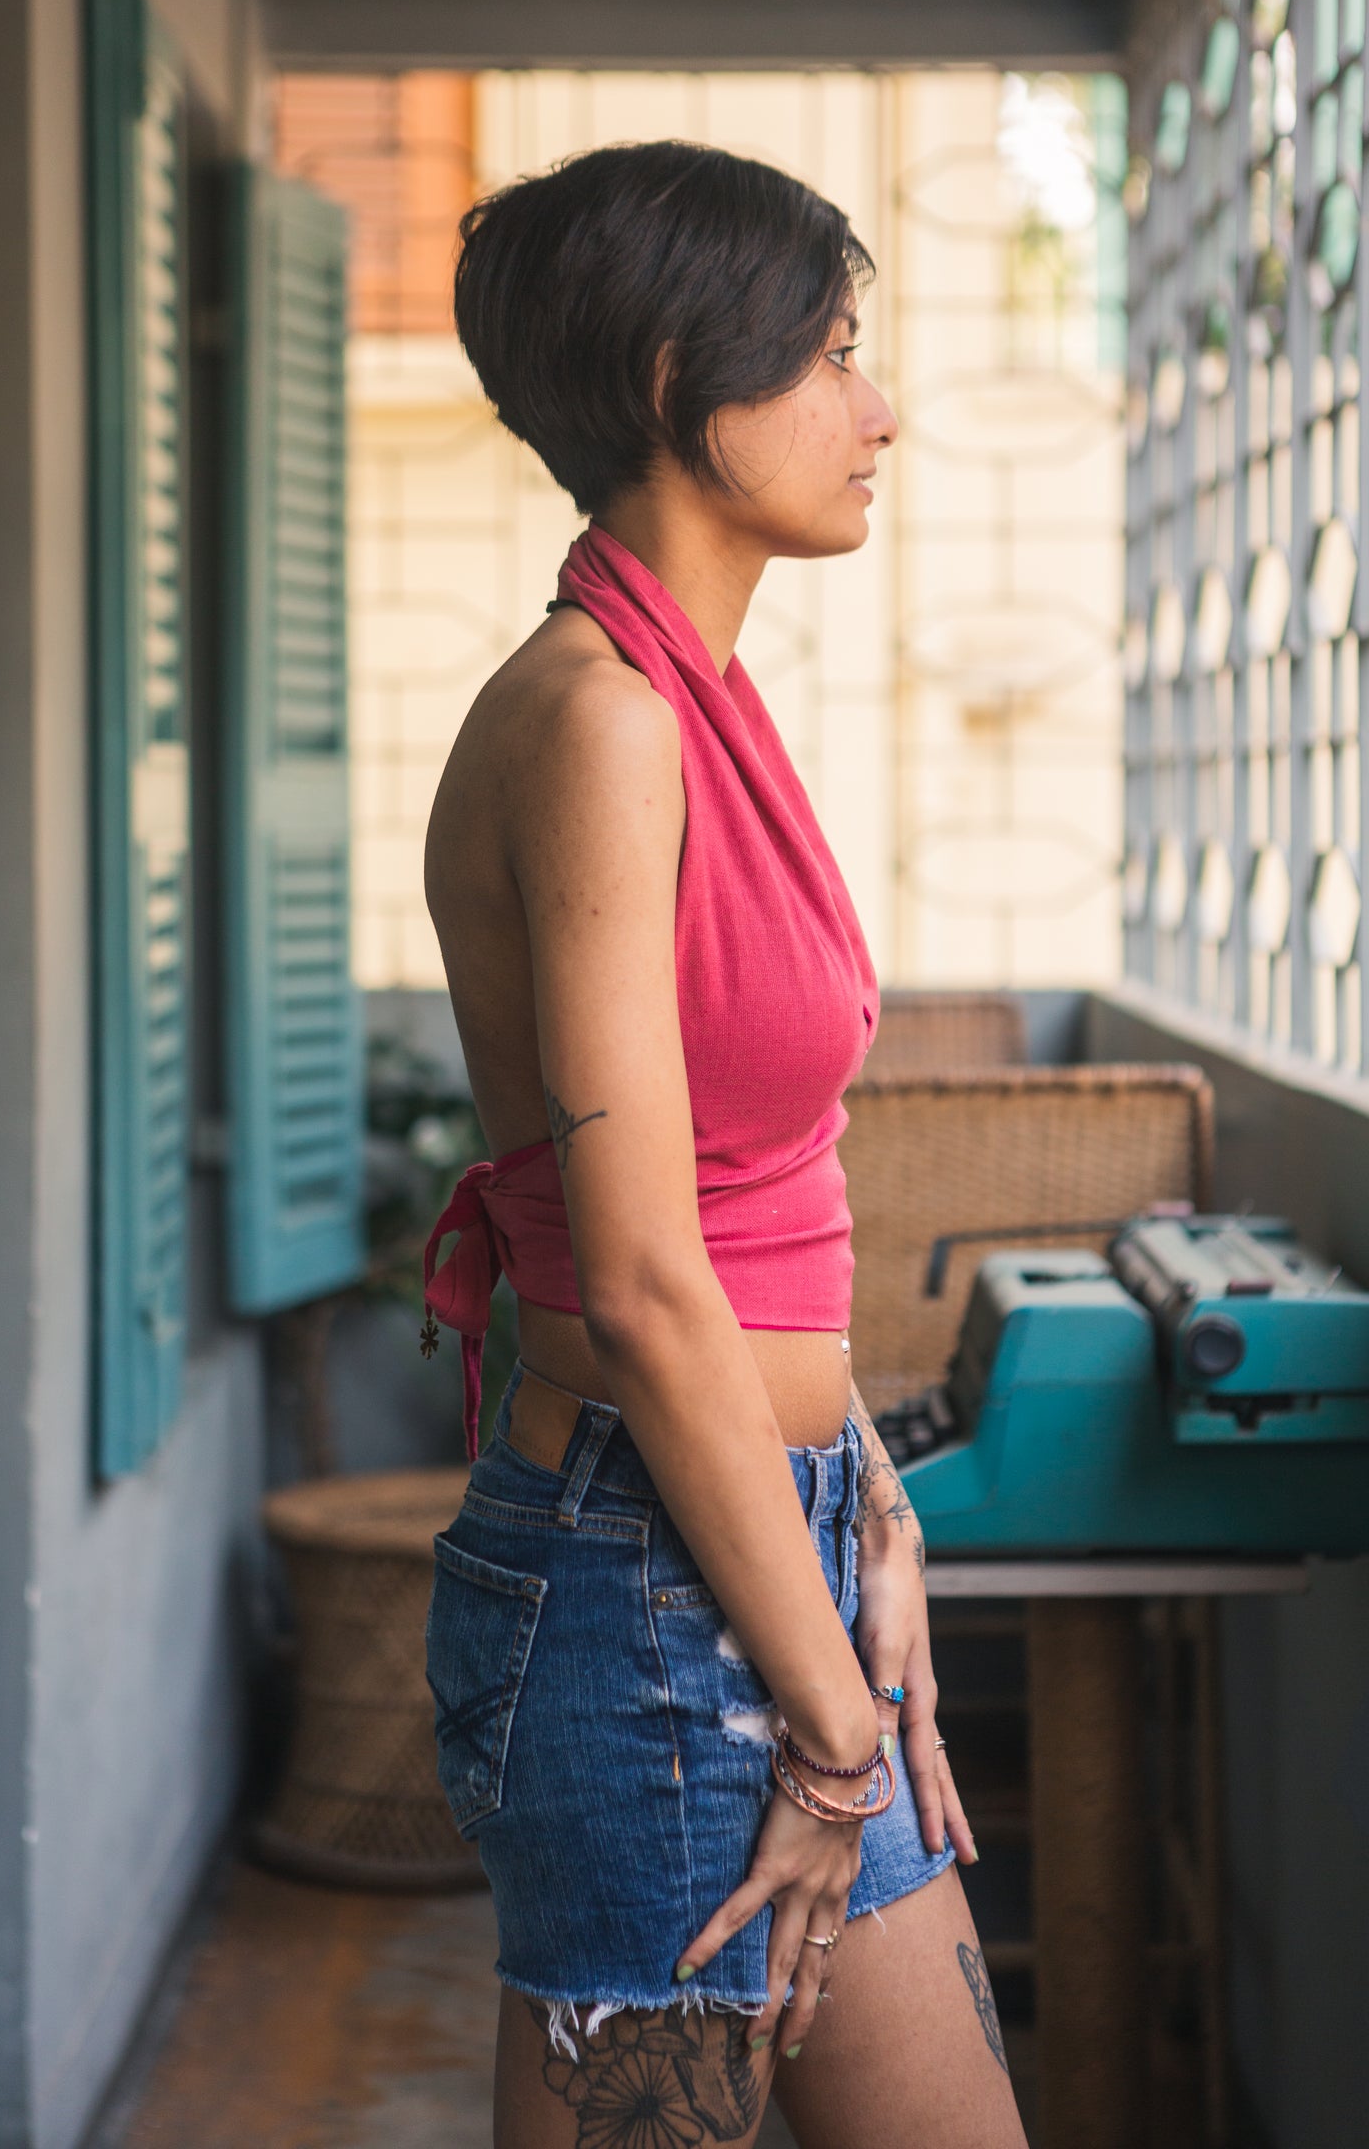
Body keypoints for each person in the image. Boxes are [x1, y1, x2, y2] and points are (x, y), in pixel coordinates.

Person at [420, 140, 1028, 2149]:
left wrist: (869, 1511)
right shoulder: (592, 719)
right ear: (692, 376)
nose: (882, 410)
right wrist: (834, 1730)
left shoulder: (695, 707)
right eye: (837, 353)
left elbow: (762, 1215)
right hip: (647, 1592)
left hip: (763, 1555)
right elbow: (648, 1277)